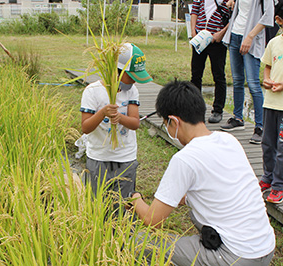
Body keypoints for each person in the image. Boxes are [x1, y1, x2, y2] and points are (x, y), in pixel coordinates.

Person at [128, 81, 275, 265]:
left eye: (166, 124)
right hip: (266, 247)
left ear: (174, 121)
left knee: (139, 242)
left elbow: (153, 220)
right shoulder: (228, 140)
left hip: (236, 256)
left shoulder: (186, 159)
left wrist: (135, 199)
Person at [80, 43, 152, 200]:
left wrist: (120, 118)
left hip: (125, 157)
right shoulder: (92, 91)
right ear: (116, 71)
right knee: (97, 202)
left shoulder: (132, 90)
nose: (134, 81)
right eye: (131, 76)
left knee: (123, 203)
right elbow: (85, 127)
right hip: (99, 156)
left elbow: (135, 123)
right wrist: (103, 113)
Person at [220, 0, 275, 144]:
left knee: (253, 84)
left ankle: (260, 127)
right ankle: (237, 118)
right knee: (237, 80)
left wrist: (250, 36)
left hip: (252, 37)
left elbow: (269, 15)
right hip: (235, 35)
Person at [258, 2, 283, 204]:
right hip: (271, 103)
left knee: (282, 148)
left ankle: (279, 185)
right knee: (268, 143)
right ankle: (267, 176)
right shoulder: (274, 43)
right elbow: (267, 66)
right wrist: (267, 79)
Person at [190, 0, 230, 123]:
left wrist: (221, 34)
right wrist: (193, 33)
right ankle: (195, 108)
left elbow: (233, 18)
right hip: (200, 38)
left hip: (217, 40)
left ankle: (217, 110)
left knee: (218, 76)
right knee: (196, 74)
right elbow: (194, 11)